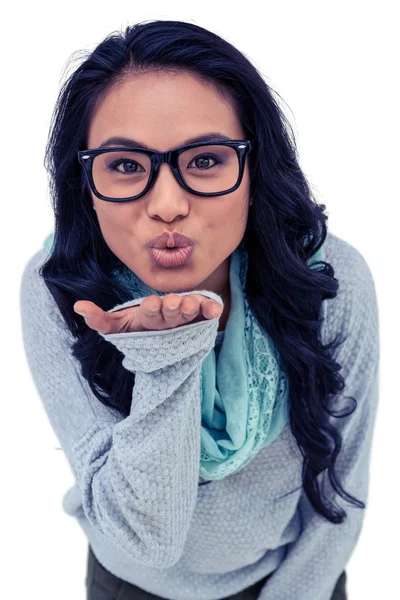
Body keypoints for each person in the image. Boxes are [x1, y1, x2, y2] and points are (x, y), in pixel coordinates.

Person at [20, 19, 380, 600]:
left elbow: (339, 488)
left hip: (290, 581)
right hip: (129, 581)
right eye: (126, 166)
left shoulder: (329, 282)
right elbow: (146, 535)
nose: (167, 205)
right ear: (84, 181)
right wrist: (166, 352)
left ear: (255, 168)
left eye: (206, 160)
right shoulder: (59, 290)